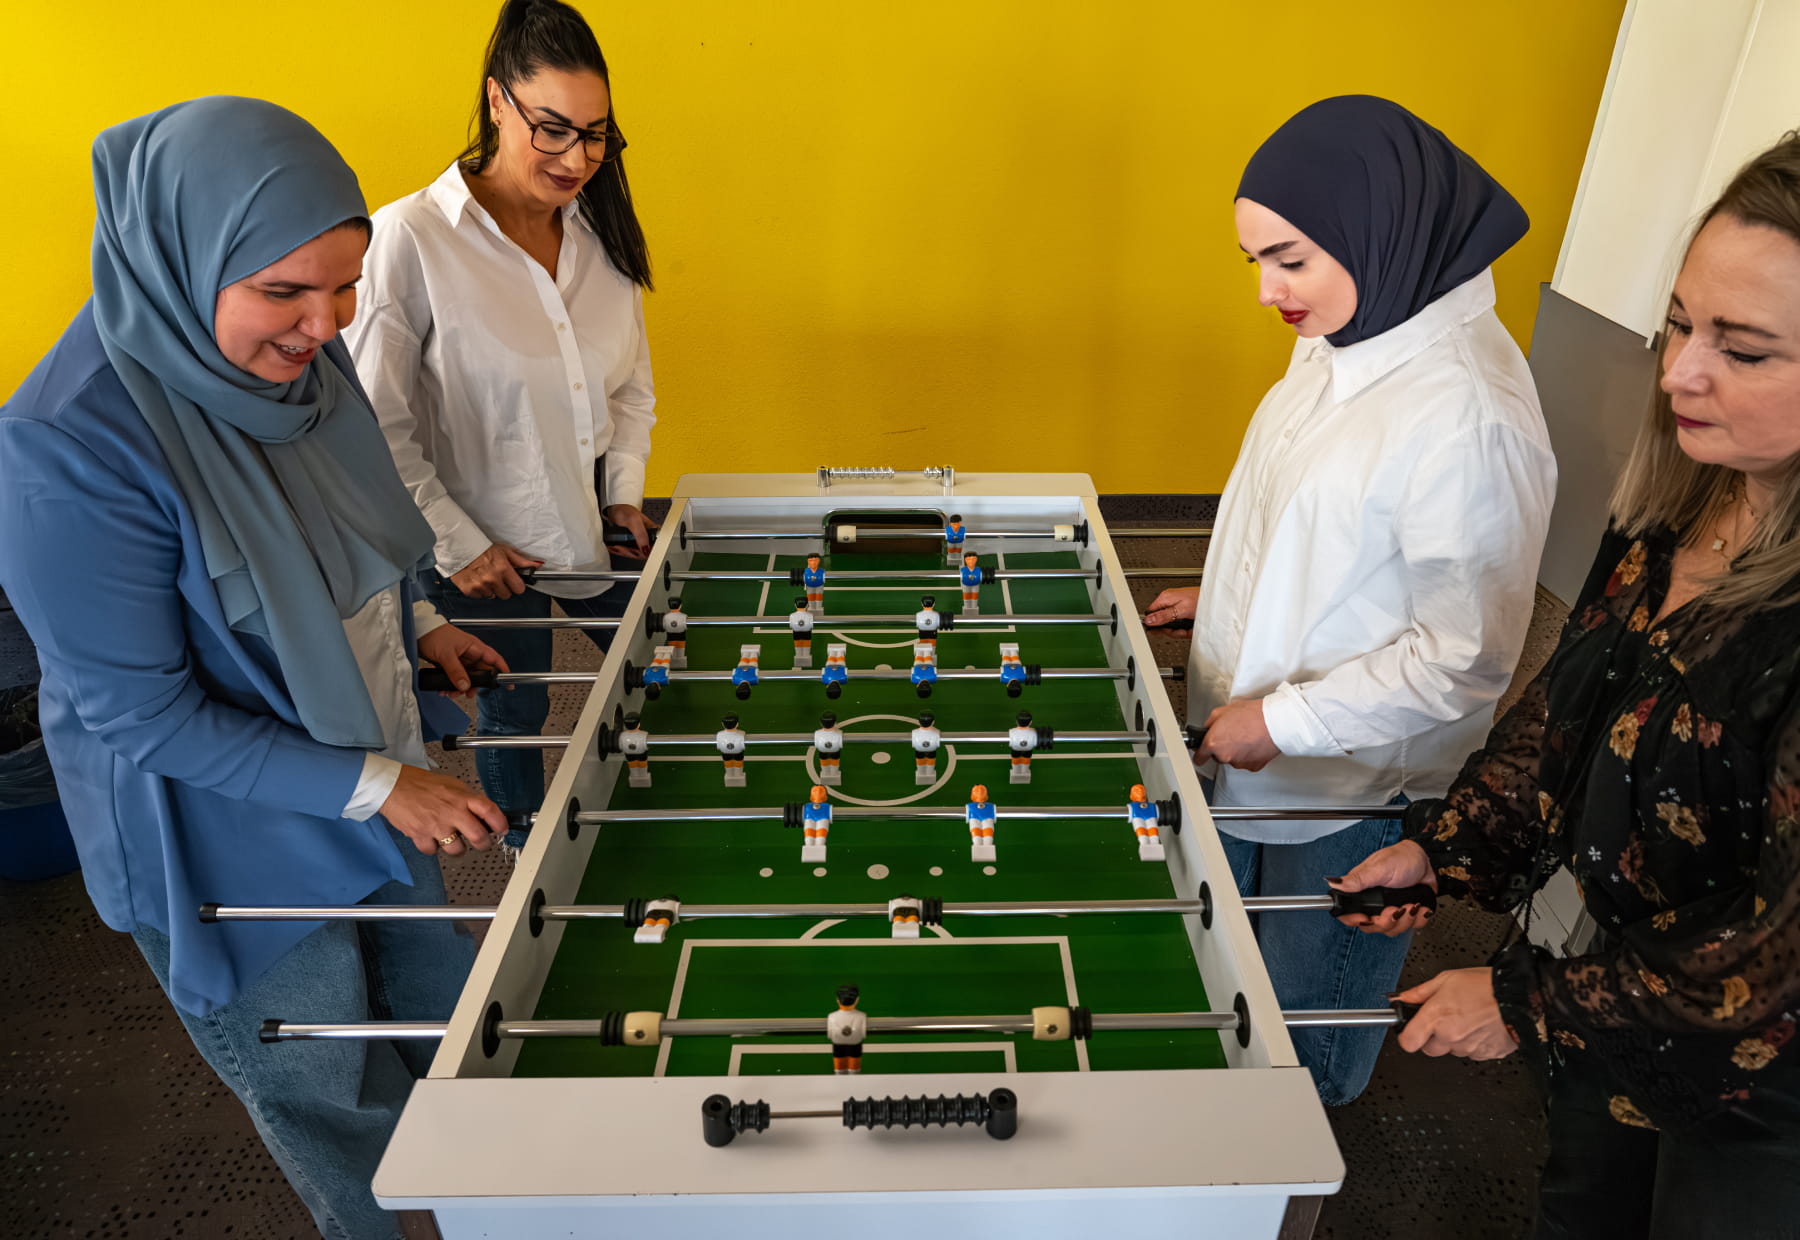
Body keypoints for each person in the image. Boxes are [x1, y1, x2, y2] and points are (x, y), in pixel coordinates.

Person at [0, 98, 511, 1240]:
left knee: (440, 1019)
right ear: (182, 259)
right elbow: (143, 715)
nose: (323, 325)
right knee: (332, 1088)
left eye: (345, 284)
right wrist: (387, 787)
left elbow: (353, 528)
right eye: (284, 291)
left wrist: (423, 624)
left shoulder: (300, 372)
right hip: (223, 837)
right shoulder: (64, 444)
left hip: (372, 769)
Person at [1335, 132, 1800, 1237]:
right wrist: (1448, 847)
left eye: (1744, 349)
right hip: (1618, 1008)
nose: (1681, 371)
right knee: (1580, 1205)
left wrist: (1520, 1005)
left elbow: (1780, 965)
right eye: (1681, 323)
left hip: (1760, 1097)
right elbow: (1577, 705)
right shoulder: (1687, 497)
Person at [1143, 95, 1556, 1105]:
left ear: (1378, 225)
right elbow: (1316, 510)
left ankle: (1294, 1175)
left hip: (1354, 788)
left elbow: (1464, 654)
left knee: (1306, 1032)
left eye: (1290, 259)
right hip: (1260, 746)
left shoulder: (1467, 413)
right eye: (1257, 265)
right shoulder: (1350, 329)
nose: (1268, 293)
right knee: (1230, 975)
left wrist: (1287, 716)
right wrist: (1236, 596)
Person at [345, 0, 658, 834]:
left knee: (662, 669)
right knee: (517, 716)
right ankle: (519, 866)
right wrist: (459, 545)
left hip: (596, 523)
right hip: (481, 551)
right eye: (550, 128)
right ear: (496, 102)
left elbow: (631, 387)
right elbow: (377, 423)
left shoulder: (600, 233)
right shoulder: (408, 237)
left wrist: (625, 491)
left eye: (595, 135)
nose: (576, 158)